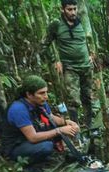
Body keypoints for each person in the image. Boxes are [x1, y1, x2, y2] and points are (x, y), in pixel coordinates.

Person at [1, 75, 79, 172]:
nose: (45, 96)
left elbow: (51, 118)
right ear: (29, 94)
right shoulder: (18, 109)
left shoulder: (40, 102)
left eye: (46, 92)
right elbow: (32, 137)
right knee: (46, 146)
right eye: (41, 93)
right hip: (17, 145)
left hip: (32, 137)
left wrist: (67, 122)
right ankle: (26, 164)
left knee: (57, 130)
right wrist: (60, 131)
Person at [41, 0, 95, 128]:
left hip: (86, 66)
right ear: (62, 9)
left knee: (87, 97)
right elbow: (43, 45)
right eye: (69, 9)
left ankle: (89, 125)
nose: (73, 12)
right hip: (70, 68)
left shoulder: (83, 21)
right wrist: (55, 60)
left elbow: (92, 38)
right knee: (73, 100)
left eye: (74, 9)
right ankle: (74, 128)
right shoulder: (56, 25)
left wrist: (92, 53)